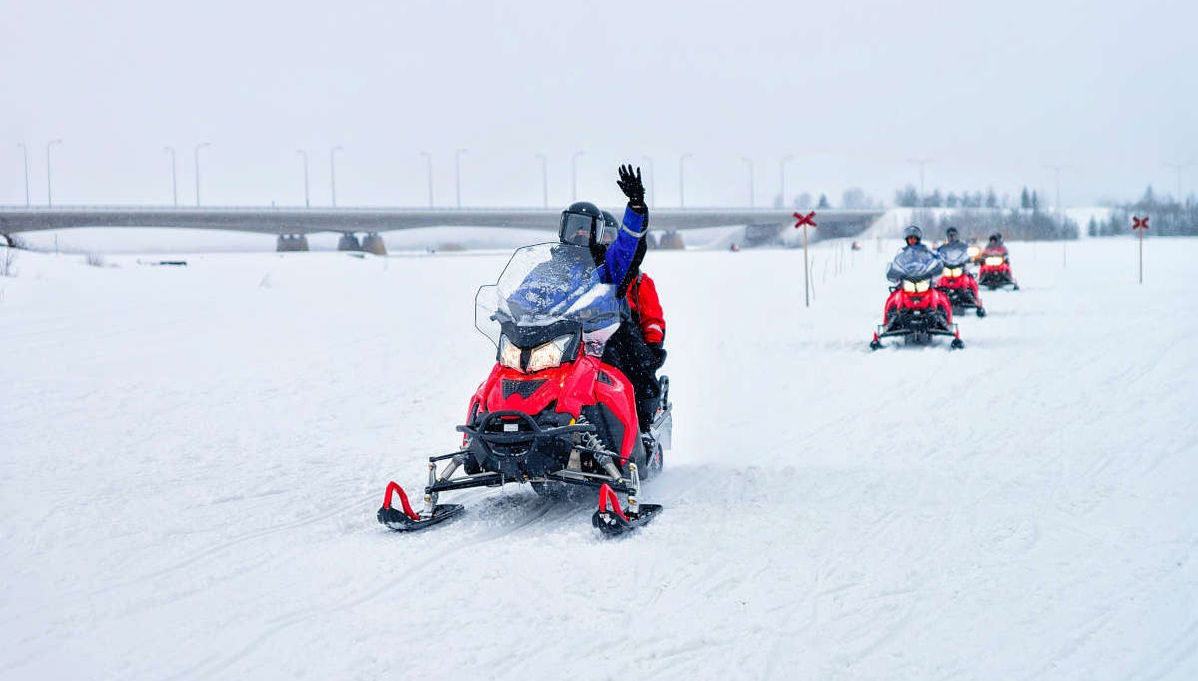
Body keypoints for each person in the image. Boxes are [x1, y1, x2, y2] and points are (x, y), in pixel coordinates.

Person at [557, 166, 663, 434]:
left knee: (632, 365)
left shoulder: (605, 267)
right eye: (575, 227)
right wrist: (509, 311)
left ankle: (639, 424)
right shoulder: (550, 268)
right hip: (559, 336)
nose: (580, 234)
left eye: (587, 229)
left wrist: (636, 207)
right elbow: (526, 293)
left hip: (606, 333)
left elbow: (629, 246)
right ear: (564, 228)